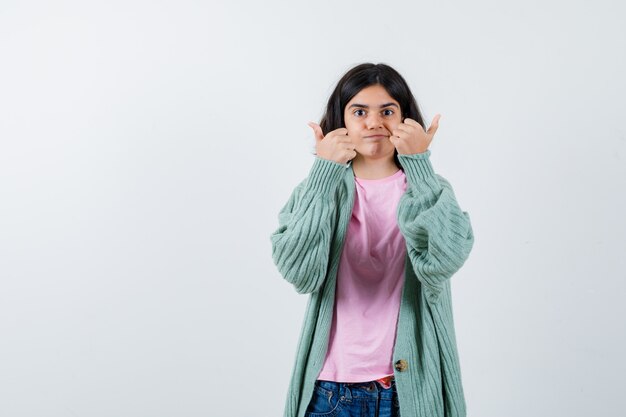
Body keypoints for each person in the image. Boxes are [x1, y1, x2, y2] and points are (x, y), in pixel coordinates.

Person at [270, 63, 474, 417]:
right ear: (342, 120)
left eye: (388, 111)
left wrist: (420, 166)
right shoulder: (319, 190)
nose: (374, 122)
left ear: (406, 119)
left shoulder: (429, 190)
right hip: (330, 392)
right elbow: (298, 272)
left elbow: (446, 261)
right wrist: (323, 173)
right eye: (359, 111)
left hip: (408, 390)